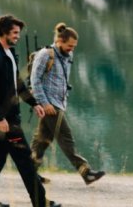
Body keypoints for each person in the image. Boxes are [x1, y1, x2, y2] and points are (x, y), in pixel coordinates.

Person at [0, 14, 61, 207]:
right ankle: (40, 203)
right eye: (14, 33)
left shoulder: (8, 55)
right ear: (3, 32)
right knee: (24, 159)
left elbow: (18, 84)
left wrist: (34, 103)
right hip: (5, 120)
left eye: (18, 33)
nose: (17, 36)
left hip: (9, 117)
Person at [30, 22, 106, 185]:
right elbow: (34, 80)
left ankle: (28, 173)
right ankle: (86, 172)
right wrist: (44, 103)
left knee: (42, 141)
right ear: (59, 41)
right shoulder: (45, 54)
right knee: (66, 139)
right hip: (50, 105)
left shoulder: (68, 56)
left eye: (74, 46)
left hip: (59, 103)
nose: (72, 48)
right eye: (69, 45)